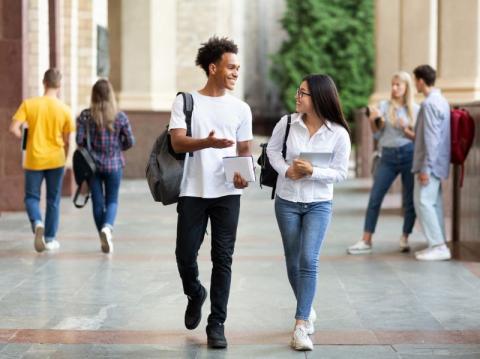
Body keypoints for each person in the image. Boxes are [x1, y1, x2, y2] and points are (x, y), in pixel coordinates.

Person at [168, 36, 252, 349]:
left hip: (228, 194)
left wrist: (243, 176)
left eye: (238, 68)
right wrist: (207, 142)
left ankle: (217, 324)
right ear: (213, 68)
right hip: (192, 190)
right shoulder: (186, 101)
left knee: (223, 258)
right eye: (231, 67)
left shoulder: (241, 108)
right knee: (185, 254)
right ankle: (195, 292)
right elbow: (177, 142)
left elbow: (244, 149)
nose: (235, 72)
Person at [267, 74, 351, 351]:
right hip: (287, 200)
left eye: (303, 93)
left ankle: (301, 324)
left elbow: (340, 173)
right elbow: (272, 153)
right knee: (292, 261)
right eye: (298, 91)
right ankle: (308, 306)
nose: (297, 96)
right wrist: (286, 170)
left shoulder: (338, 133)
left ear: (319, 98)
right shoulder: (287, 123)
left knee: (308, 259)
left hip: (319, 203)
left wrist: (313, 172)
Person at [348, 71, 419, 255]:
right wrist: (373, 120)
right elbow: (377, 135)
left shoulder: (415, 109)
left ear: (406, 88)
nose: (394, 88)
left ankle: (405, 237)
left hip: (408, 154)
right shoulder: (383, 106)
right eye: (393, 84)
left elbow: (419, 139)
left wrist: (405, 128)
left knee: (409, 200)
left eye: (398, 85)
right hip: (387, 156)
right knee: (375, 197)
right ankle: (366, 239)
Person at [9, 69, 75, 252]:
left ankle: (37, 222)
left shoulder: (29, 105)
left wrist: (24, 135)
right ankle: (50, 239)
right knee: (53, 200)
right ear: (59, 86)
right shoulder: (65, 109)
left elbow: (13, 128)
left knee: (31, 197)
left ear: (43, 82)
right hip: (56, 159)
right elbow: (68, 139)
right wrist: (65, 155)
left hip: (34, 159)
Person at [75, 79, 134, 254]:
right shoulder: (120, 117)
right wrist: (117, 148)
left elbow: (79, 141)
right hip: (114, 165)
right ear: (110, 94)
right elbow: (130, 141)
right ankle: (107, 228)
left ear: (93, 94)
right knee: (112, 200)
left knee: (97, 202)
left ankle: (103, 233)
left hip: (93, 167)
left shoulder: (85, 116)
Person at [411, 65, 451, 261]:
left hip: (430, 164)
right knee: (433, 204)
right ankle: (437, 244)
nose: (414, 84)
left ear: (420, 81)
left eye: (415, 80)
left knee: (424, 202)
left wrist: (425, 168)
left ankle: (438, 246)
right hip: (439, 162)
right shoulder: (442, 101)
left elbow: (431, 139)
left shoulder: (428, 104)